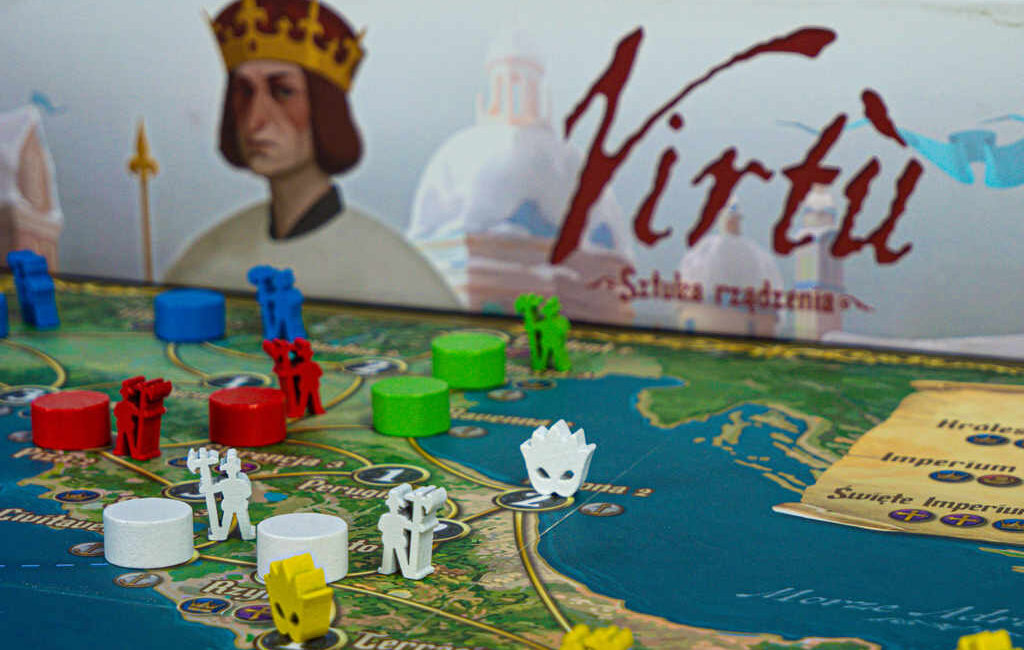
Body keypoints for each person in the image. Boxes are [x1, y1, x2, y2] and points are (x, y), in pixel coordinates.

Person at [164, 0, 459, 309]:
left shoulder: (399, 278)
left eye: (283, 92)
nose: (255, 120)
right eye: (245, 92)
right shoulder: (206, 260)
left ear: (324, 110)